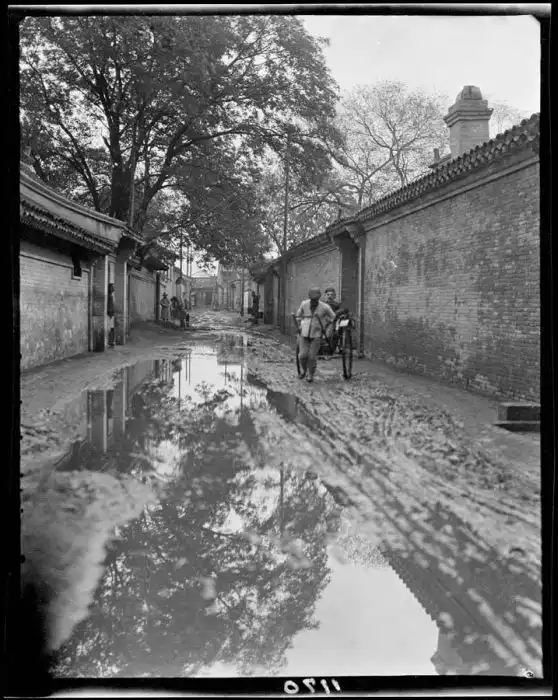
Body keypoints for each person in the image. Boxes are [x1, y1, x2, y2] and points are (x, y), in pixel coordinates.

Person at [294, 286, 336, 383]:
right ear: (309, 297)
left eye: (316, 299)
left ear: (319, 297)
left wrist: (328, 322)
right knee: (302, 356)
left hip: (316, 335)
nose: (314, 301)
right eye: (312, 299)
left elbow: (333, 317)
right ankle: (304, 370)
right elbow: (298, 315)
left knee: (312, 357)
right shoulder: (304, 304)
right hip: (304, 334)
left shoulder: (324, 307)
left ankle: (311, 374)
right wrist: (300, 324)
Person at [107, 283, 115, 347]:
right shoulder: (109, 296)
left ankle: (111, 342)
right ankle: (110, 342)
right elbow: (109, 306)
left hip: (111, 314)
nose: (113, 289)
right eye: (112, 287)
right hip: (109, 314)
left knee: (112, 328)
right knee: (110, 328)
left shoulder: (110, 295)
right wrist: (110, 312)